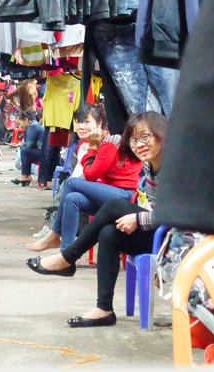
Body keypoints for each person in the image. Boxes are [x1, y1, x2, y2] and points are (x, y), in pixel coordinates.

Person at [26, 111, 168, 328]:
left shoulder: (175, 166)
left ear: (161, 134)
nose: (139, 144)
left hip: (174, 240)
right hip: (156, 232)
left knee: (101, 201)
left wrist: (140, 219)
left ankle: (67, 256)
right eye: (134, 140)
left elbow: (179, 214)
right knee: (107, 232)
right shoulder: (150, 166)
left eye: (145, 137)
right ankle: (104, 309)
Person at [27, 109, 144, 252]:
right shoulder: (93, 142)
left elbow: (90, 175)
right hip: (112, 193)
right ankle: (66, 253)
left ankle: (54, 234)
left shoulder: (109, 142)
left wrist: (91, 148)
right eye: (78, 122)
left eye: (87, 122)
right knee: (72, 198)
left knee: (71, 182)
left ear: (99, 123)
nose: (81, 126)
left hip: (127, 196)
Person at [10, 110, 44, 186]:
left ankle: (25, 176)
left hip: (43, 152)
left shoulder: (32, 126)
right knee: (26, 151)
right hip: (43, 150)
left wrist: (20, 145)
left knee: (24, 151)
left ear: (26, 120)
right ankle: (26, 176)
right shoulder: (34, 125)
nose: (19, 126)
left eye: (19, 123)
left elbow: (29, 145)